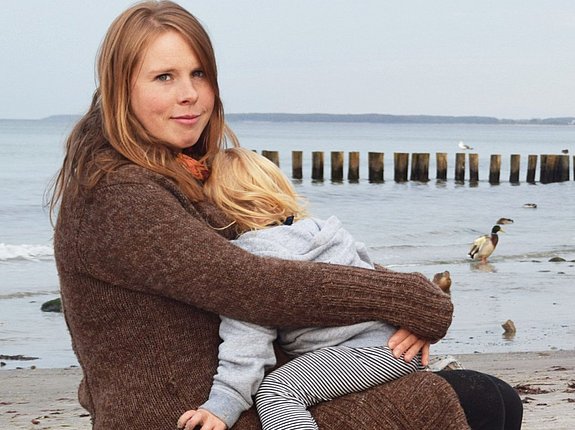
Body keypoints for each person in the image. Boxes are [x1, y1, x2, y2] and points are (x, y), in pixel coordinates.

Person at [47, 1, 522, 429]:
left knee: (494, 398)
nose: (189, 94)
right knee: (461, 402)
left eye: (198, 74)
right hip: (189, 413)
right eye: (163, 77)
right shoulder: (116, 194)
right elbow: (254, 283)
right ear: (119, 90)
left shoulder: (177, 170)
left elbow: (296, 255)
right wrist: (410, 298)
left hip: (238, 394)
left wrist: (397, 315)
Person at [178, 147, 425, 430]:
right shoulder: (323, 230)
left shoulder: (250, 259)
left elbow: (248, 339)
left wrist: (224, 404)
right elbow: (372, 276)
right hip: (396, 343)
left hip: (362, 351)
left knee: (278, 392)